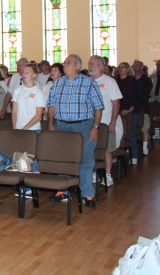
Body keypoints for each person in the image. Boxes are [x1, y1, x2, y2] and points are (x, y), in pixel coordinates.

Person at [46, 54, 103, 208]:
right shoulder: (57, 83)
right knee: (63, 158)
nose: (65, 65)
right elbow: (51, 105)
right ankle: (62, 190)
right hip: (62, 125)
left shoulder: (89, 83)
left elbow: (98, 106)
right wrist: (51, 124)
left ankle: (88, 194)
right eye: (64, 63)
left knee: (86, 158)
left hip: (83, 125)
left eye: (68, 62)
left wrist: (95, 126)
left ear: (78, 66)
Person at [87, 55, 121, 187]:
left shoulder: (109, 81)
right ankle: (93, 172)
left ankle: (107, 175)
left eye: (93, 64)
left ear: (101, 66)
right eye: (89, 64)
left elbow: (116, 102)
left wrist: (113, 121)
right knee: (91, 149)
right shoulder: (87, 81)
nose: (90, 66)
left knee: (107, 149)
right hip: (90, 122)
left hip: (106, 121)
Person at [116, 62, 141, 164]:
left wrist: (130, 108)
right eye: (120, 67)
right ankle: (118, 153)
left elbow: (137, 96)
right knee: (119, 132)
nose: (121, 69)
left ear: (127, 69)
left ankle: (134, 156)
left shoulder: (132, 81)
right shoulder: (115, 81)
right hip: (119, 110)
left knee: (131, 132)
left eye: (123, 67)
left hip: (131, 110)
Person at [12, 64, 45, 133]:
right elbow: (14, 111)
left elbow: (38, 115)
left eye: (28, 72)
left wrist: (24, 129)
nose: (25, 74)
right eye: (24, 72)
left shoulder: (38, 93)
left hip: (33, 129)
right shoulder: (17, 90)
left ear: (34, 75)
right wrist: (15, 127)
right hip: (18, 127)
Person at [133, 59, 153, 155]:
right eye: (134, 65)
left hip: (143, 107)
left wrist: (135, 101)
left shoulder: (146, 80)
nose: (135, 67)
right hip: (133, 107)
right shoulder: (131, 79)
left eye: (137, 65)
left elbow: (145, 95)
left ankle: (145, 147)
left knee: (145, 127)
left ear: (142, 67)